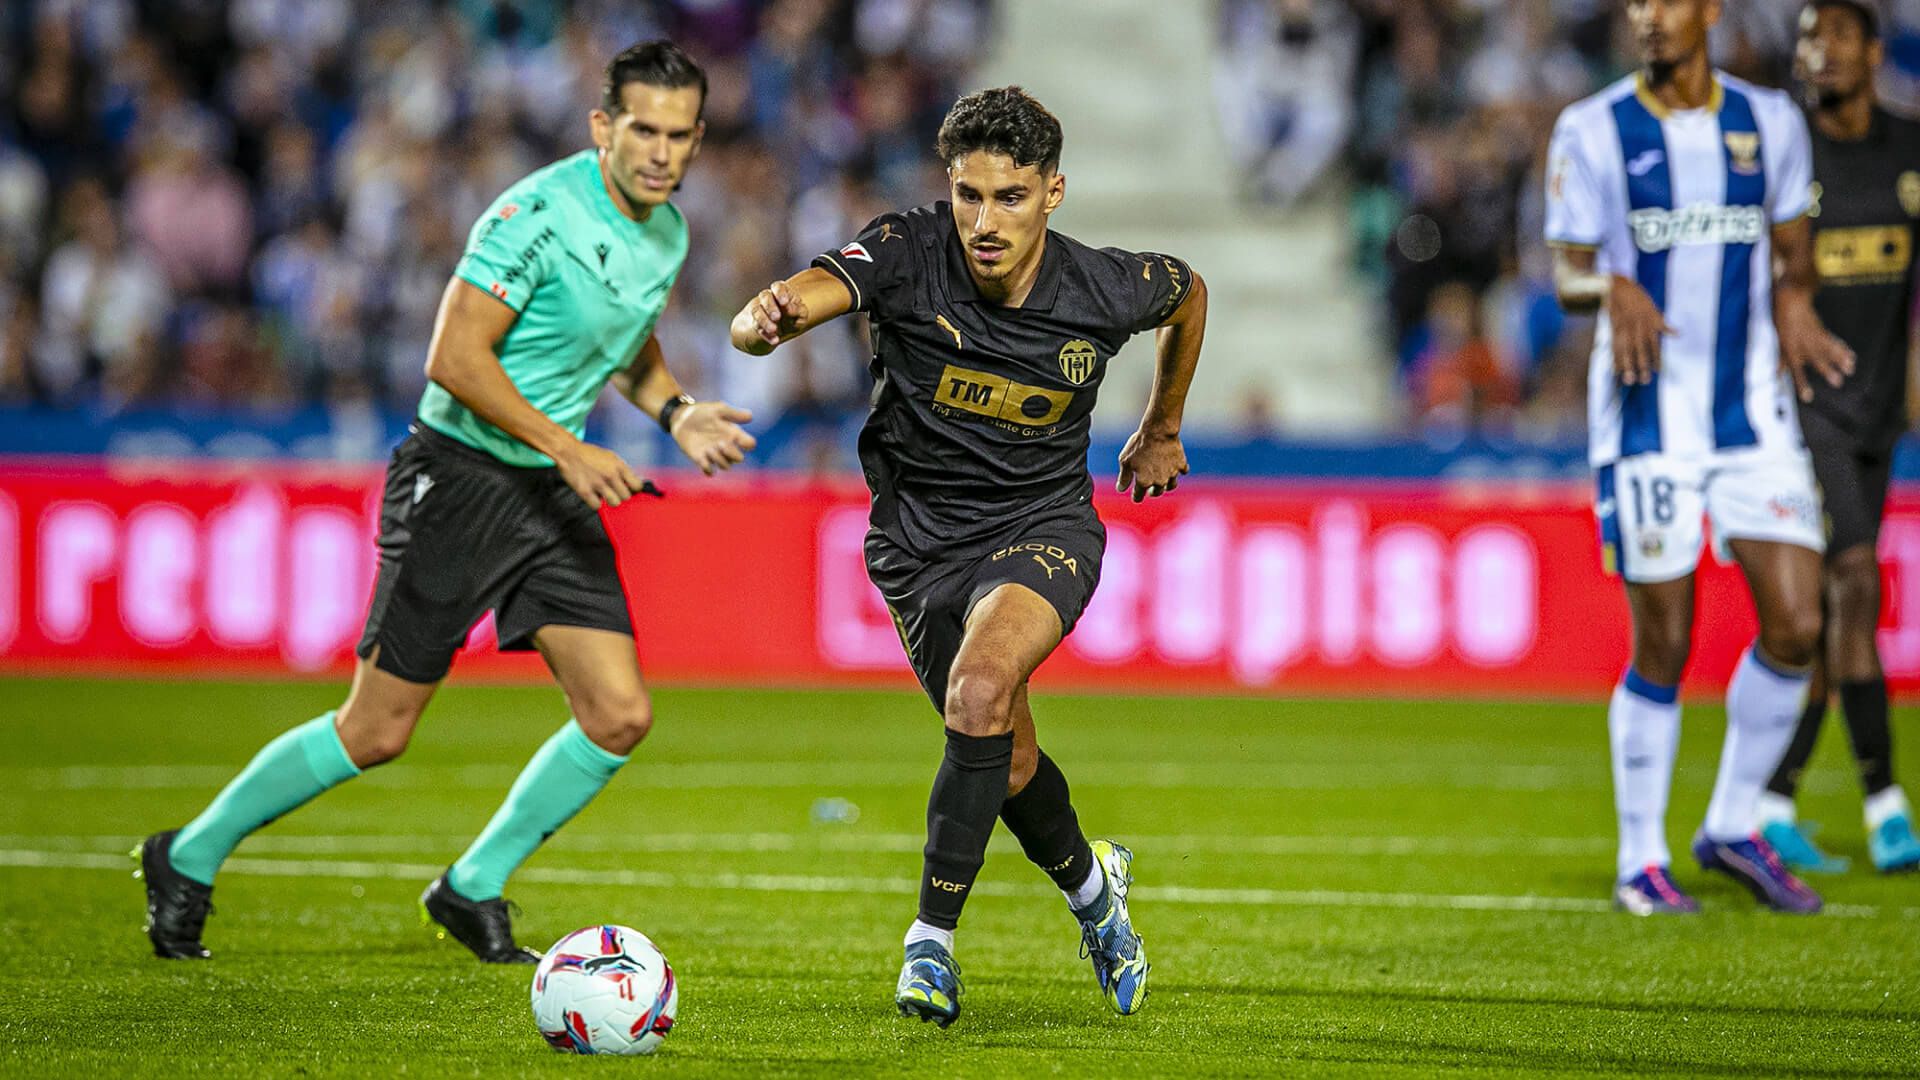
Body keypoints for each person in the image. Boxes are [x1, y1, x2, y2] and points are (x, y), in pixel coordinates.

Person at [137, 41, 756, 962]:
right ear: (603, 126)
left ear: (699, 138)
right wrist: (568, 445)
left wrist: (675, 410)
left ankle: (471, 886)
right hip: (460, 478)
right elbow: (454, 358)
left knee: (618, 713)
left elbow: (625, 338)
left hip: (547, 486)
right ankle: (187, 854)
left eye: (679, 135)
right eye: (643, 131)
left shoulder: (666, 232)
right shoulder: (536, 215)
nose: (661, 153)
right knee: (376, 731)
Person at [729, 86, 1206, 1025]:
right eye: (969, 195)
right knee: (1007, 754)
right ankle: (1096, 893)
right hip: (919, 549)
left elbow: (1188, 294)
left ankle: (931, 946)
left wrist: (1162, 426)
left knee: (980, 689)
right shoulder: (907, 252)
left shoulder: (1104, 287)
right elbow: (788, 307)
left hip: (1043, 526)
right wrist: (765, 320)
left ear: (1053, 193)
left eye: (1011, 198)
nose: (985, 224)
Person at [1544, 0, 1855, 914]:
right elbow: (1565, 270)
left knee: (1800, 622)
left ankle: (1730, 824)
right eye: (1636, 3)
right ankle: (1640, 858)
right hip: (1646, 416)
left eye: (1667, 0)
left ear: (1710, 10)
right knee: (1666, 640)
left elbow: (1793, 254)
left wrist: (1797, 304)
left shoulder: (1771, 121)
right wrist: (1609, 286)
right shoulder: (1593, 127)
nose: (1648, 17)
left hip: (1749, 413)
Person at [1757, 0, 1920, 875]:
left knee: (1831, 614)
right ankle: (1886, 805)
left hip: (1879, 409)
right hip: (1803, 409)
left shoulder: (1909, 147)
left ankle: (1769, 801)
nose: (1820, 53)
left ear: (1873, 51)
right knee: (1853, 581)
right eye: (1808, 40)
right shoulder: (1785, 154)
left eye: (1837, 38)